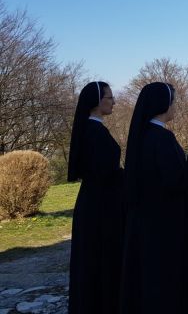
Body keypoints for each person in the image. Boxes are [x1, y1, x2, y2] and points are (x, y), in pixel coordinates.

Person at [120, 82, 188, 314]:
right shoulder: (162, 137)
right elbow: (174, 179)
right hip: (165, 218)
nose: (175, 107)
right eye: (174, 102)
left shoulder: (142, 135)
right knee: (165, 276)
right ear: (163, 105)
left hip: (145, 216)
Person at [68, 81, 123, 314]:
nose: (113, 102)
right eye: (110, 98)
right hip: (100, 204)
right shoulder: (95, 132)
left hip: (94, 200)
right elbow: (105, 172)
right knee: (99, 258)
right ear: (97, 102)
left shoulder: (92, 129)